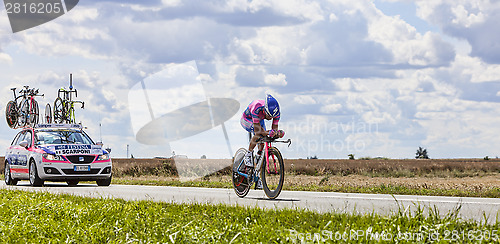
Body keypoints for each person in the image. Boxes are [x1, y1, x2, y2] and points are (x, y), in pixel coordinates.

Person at [240, 94, 285, 189]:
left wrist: (276, 133)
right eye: (268, 116)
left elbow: (274, 129)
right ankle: (248, 154)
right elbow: (258, 130)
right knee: (258, 134)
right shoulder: (257, 107)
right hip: (247, 119)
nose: (270, 119)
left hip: (259, 120)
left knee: (262, 143)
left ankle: (257, 174)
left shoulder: (276, 113)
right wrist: (268, 132)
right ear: (264, 110)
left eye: (272, 117)